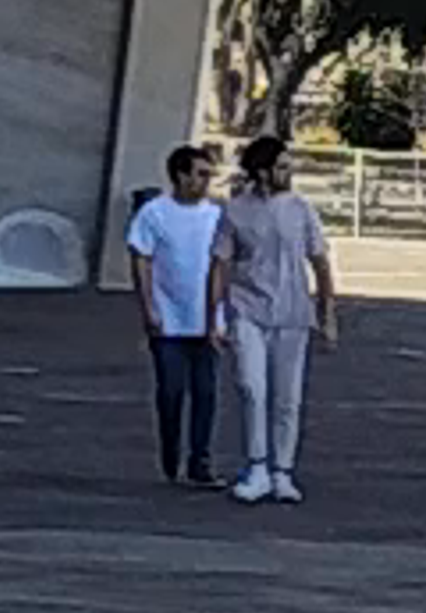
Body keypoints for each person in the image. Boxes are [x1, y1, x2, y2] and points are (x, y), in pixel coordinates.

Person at [211, 137, 336, 502]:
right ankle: (257, 465)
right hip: (248, 308)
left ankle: (282, 470)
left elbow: (320, 262)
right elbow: (220, 263)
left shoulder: (300, 209)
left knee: (287, 397)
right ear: (262, 172)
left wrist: (328, 313)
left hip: (293, 312)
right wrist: (213, 316)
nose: (288, 172)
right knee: (252, 387)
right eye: (281, 166)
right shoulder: (235, 211)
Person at [125, 144, 226, 486]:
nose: (206, 181)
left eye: (209, 175)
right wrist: (148, 306)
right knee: (171, 390)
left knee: (206, 393)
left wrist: (221, 314)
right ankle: (171, 453)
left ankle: (201, 460)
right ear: (181, 176)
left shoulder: (215, 216)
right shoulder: (154, 213)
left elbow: (223, 265)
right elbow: (141, 257)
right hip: (169, 318)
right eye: (200, 174)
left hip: (207, 319)